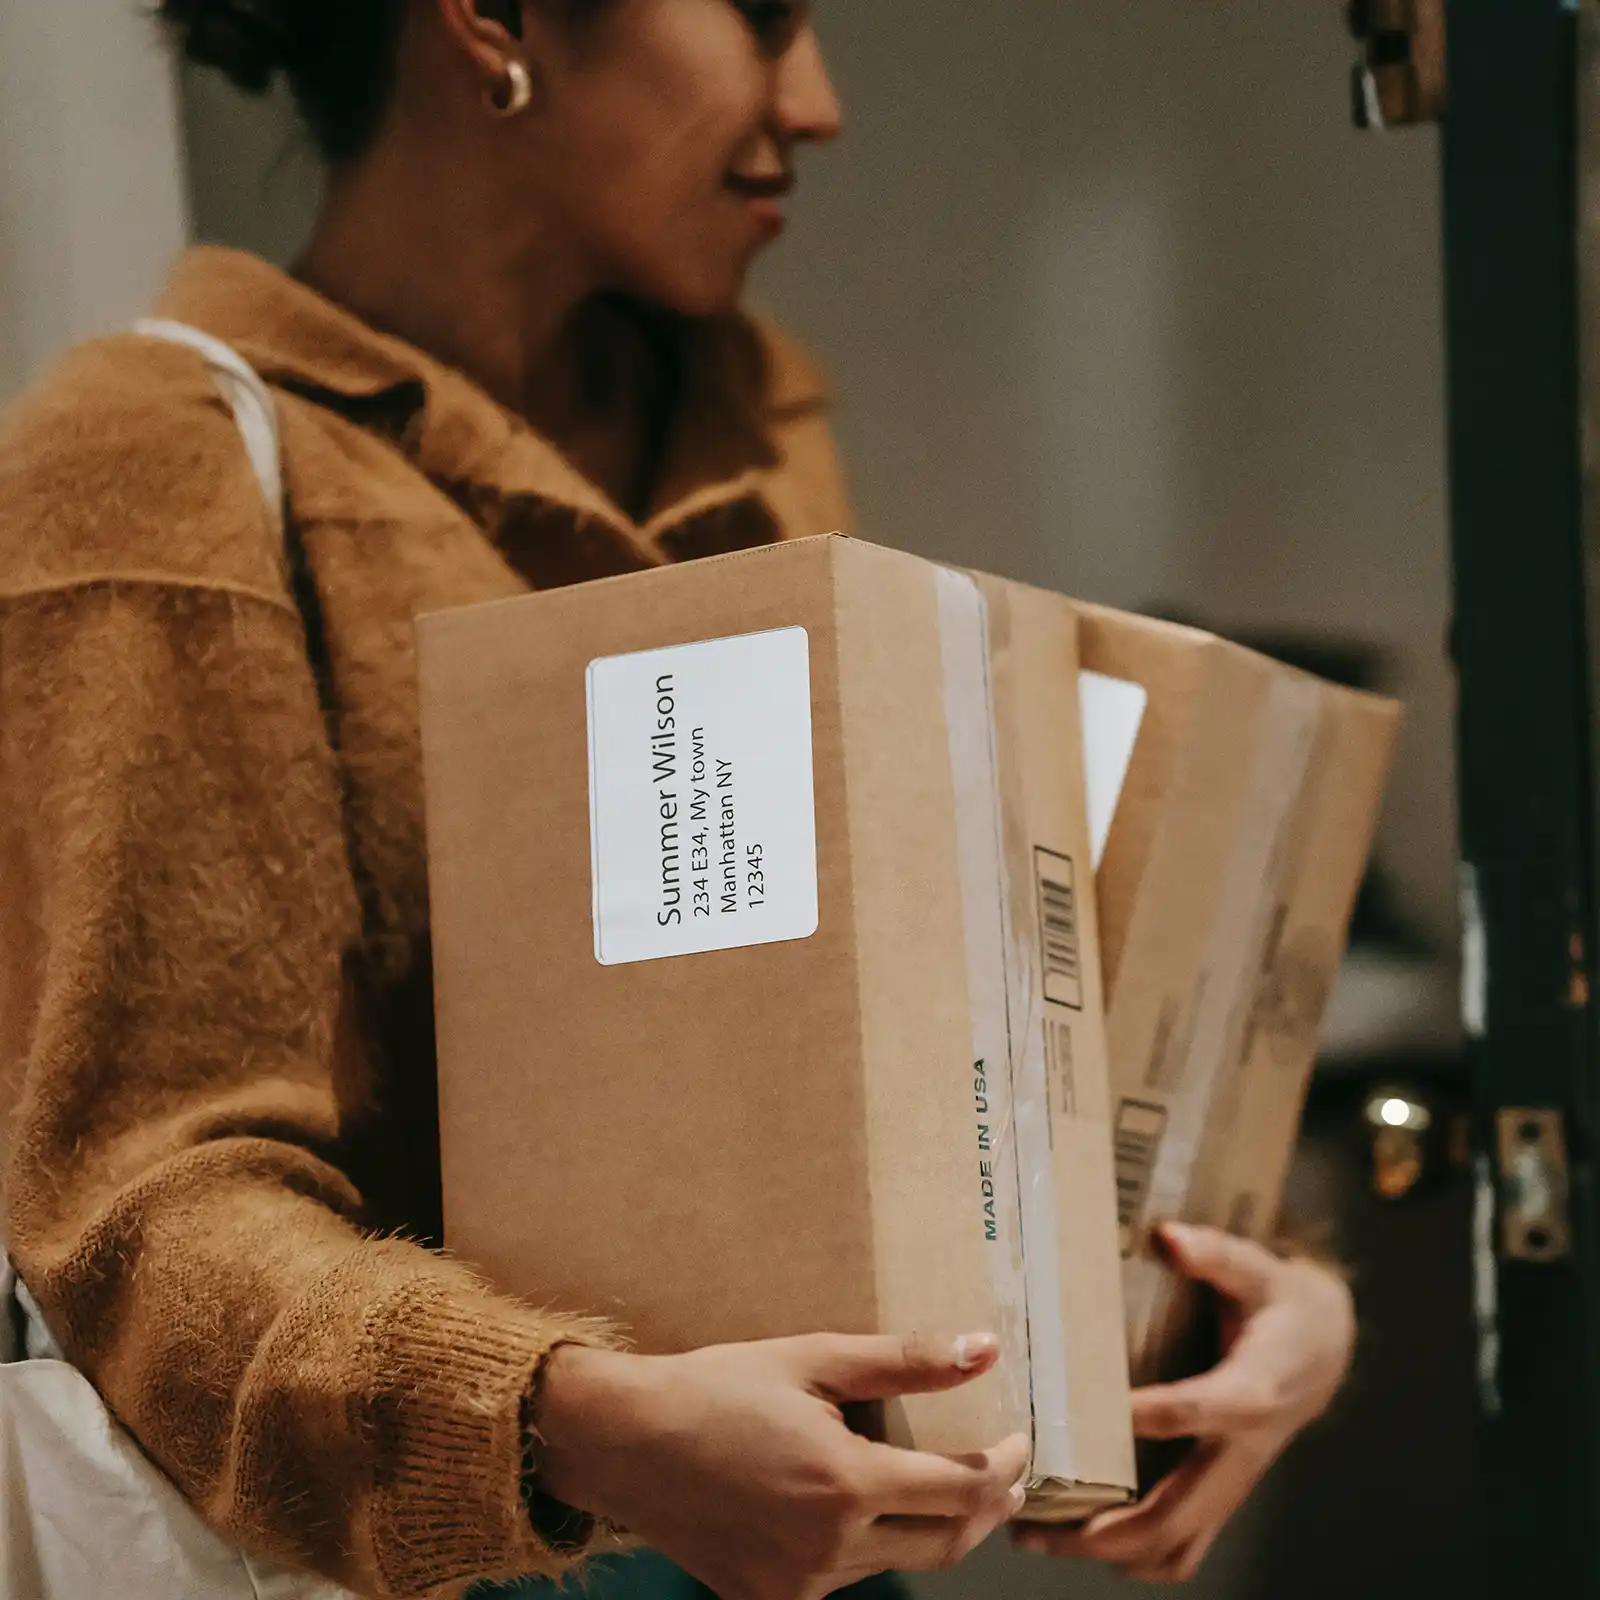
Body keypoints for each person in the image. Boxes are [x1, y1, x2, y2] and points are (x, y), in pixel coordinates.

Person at [0, 2, 1356, 1596]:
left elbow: (890, 1078)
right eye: (765, 14)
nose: (822, 100)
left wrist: (1230, 1314)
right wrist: (564, 1425)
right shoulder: (149, 466)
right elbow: (144, 1213)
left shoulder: (747, 410)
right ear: (489, 22)